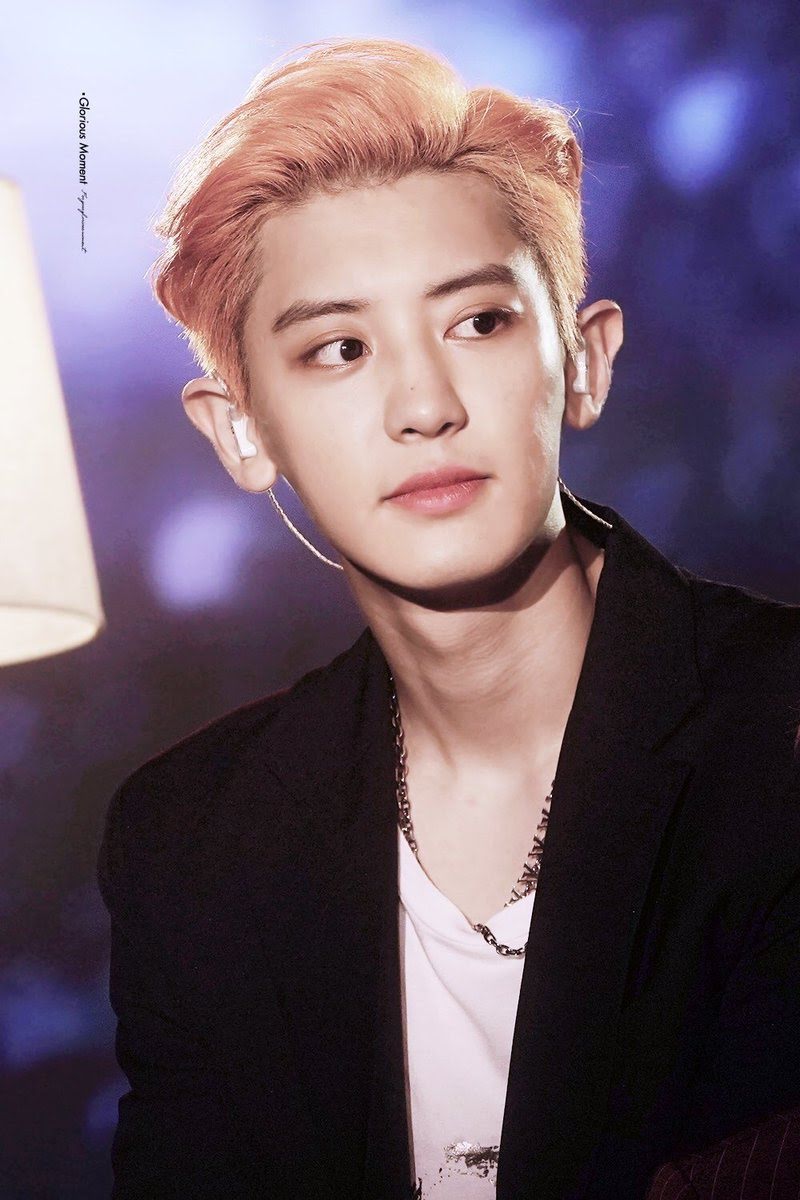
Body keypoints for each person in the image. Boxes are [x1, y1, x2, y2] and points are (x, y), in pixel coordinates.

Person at [97, 35, 800, 1200]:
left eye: (477, 323)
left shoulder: (775, 740)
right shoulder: (189, 840)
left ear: (582, 361)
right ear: (240, 431)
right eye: (338, 349)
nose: (422, 405)